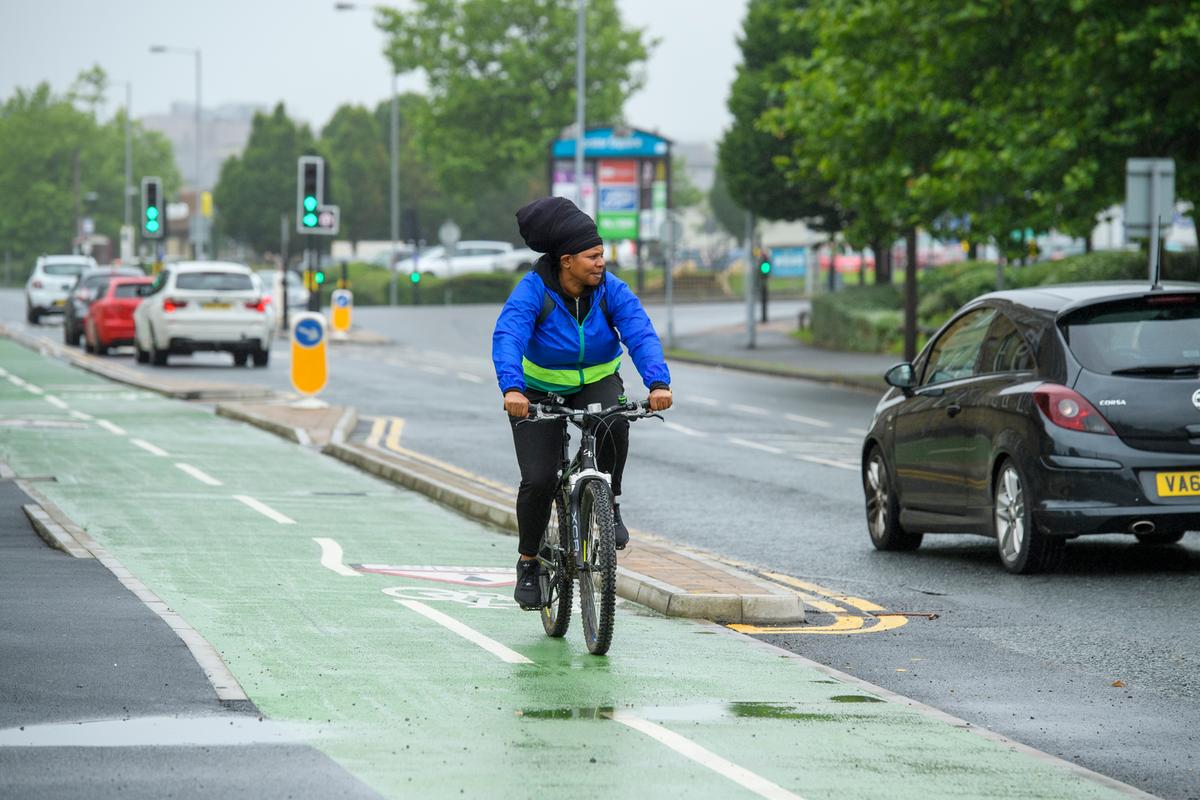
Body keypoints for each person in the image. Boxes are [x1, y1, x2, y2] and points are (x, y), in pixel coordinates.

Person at [492, 196, 673, 609]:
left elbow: (639, 332)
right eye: (592, 256)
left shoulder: (611, 290)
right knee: (538, 479)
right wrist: (513, 389)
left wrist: (658, 381)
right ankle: (529, 562)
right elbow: (508, 337)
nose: (600, 263)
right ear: (566, 260)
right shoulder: (533, 291)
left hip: (595, 380)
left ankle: (610, 503)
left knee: (616, 423)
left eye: (602, 255)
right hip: (537, 391)